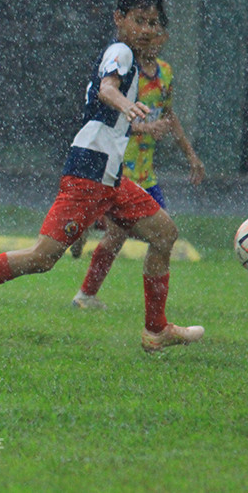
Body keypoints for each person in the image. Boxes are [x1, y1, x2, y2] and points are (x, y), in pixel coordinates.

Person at [0, 0, 204, 352]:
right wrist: (124, 104)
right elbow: (106, 88)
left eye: (153, 23)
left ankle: (156, 330)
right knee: (42, 258)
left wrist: (128, 115)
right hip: (90, 170)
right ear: (119, 19)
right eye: (140, 20)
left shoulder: (135, 59)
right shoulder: (120, 50)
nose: (148, 29)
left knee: (164, 233)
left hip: (110, 174)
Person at [70, 25, 206, 309]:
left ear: (165, 37)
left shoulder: (165, 72)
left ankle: (89, 224)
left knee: (164, 234)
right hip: (121, 166)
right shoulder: (128, 73)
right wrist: (145, 128)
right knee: (120, 235)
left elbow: (169, 116)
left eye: (157, 33)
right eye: (146, 31)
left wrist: (191, 155)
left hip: (147, 173)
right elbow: (114, 122)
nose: (151, 39)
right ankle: (86, 294)